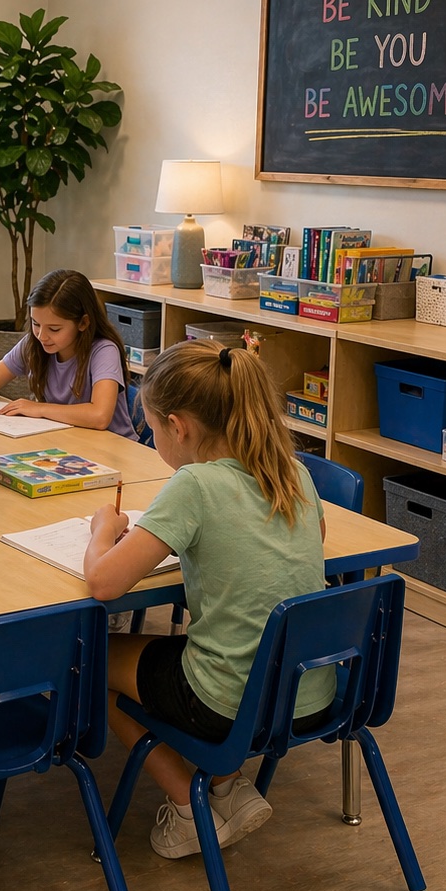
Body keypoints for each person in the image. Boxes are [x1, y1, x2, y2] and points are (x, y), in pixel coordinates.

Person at [81, 339, 331, 859]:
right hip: (308, 693)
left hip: (228, 702)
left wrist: (103, 530)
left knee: (89, 660)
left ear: (180, 427)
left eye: (150, 430)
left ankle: (190, 810)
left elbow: (104, 583)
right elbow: (307, 545)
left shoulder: (193, 485)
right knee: (218, 642)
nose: (151, 442)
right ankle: (226, 785)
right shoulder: (293, 472)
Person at [0, 269, 137, 440]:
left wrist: (39, 408)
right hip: (68, 441)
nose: (41, 336)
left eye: (54, 329)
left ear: (83, 322)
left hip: (113, 447)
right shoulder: (33, 344)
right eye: (35, 323)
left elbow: (100, 416)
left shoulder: (104, 351)